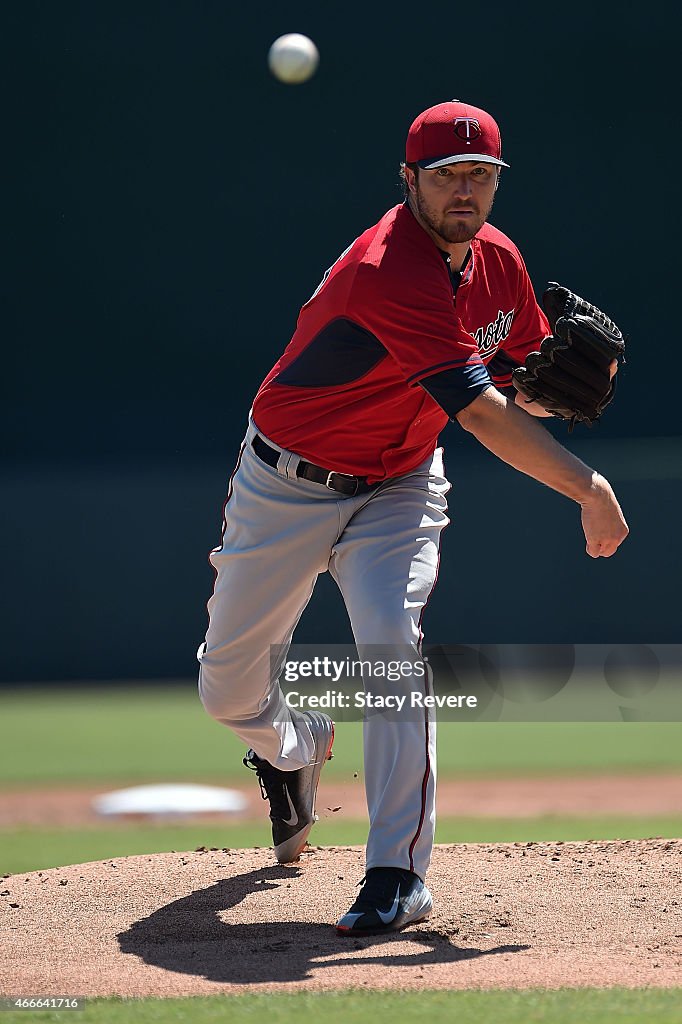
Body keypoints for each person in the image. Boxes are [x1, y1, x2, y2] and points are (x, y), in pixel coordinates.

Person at [197, 100, 628, 937]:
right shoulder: (388, 267)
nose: (463, 190)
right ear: (410, 180)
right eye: (445, 175)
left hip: (398, 482)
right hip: (287, 483)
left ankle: (397, 872)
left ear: (496, 182)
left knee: (392, 645)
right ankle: (295, 747)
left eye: (480, 175)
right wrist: (586, 485)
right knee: (226, 688)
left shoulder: (499, 260)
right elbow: (480, 414)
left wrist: (559, 394)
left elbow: (517, 385)